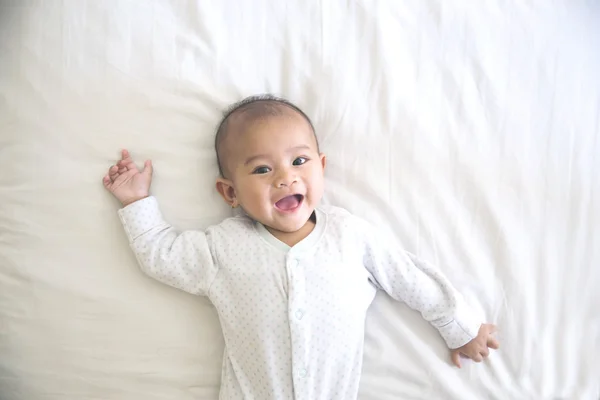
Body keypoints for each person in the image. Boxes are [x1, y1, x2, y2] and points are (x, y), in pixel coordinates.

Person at [102, 94, 499, 400]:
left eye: (299, 161)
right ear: (230, 192)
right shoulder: (222, 247)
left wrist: (459, 327)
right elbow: (161, 254)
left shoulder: (350, 235)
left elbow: (409, 277)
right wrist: (137, 203)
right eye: (262, 169)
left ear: (321, 168)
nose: (284, 178)